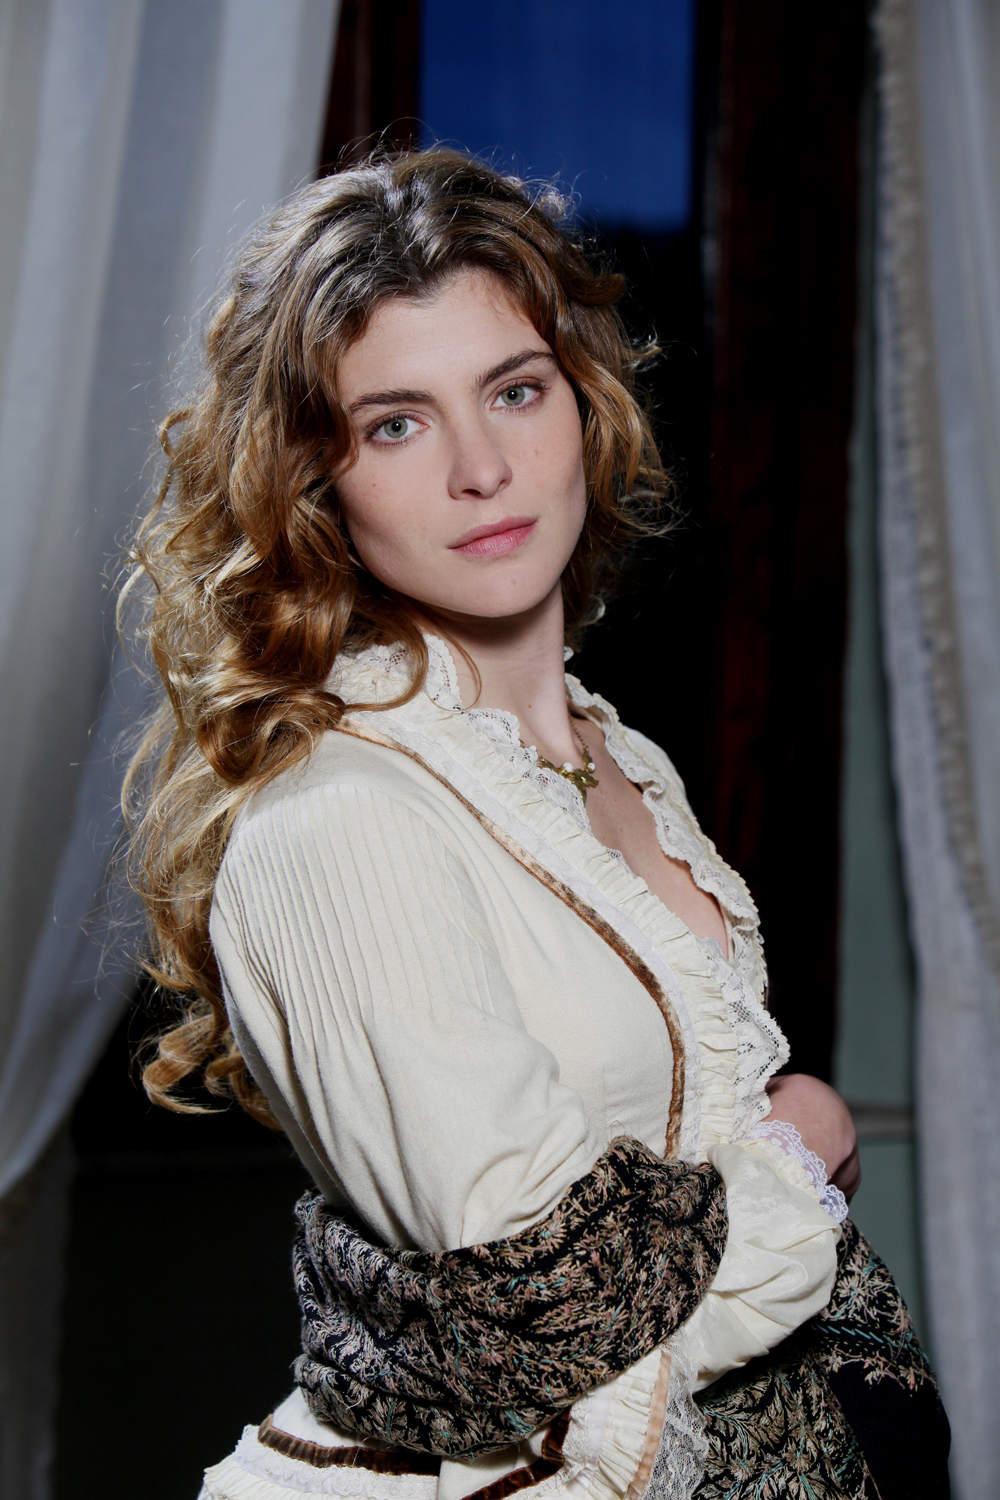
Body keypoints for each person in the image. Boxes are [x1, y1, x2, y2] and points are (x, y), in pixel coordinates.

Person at [121, 150, 949, 1500]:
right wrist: (797, 1153)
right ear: (313, 480)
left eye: (515, 391)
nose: (483, 468)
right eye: (397, 423)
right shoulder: (336, 819)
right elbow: (539, 1307)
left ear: (584, 404)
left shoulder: (621, 756)